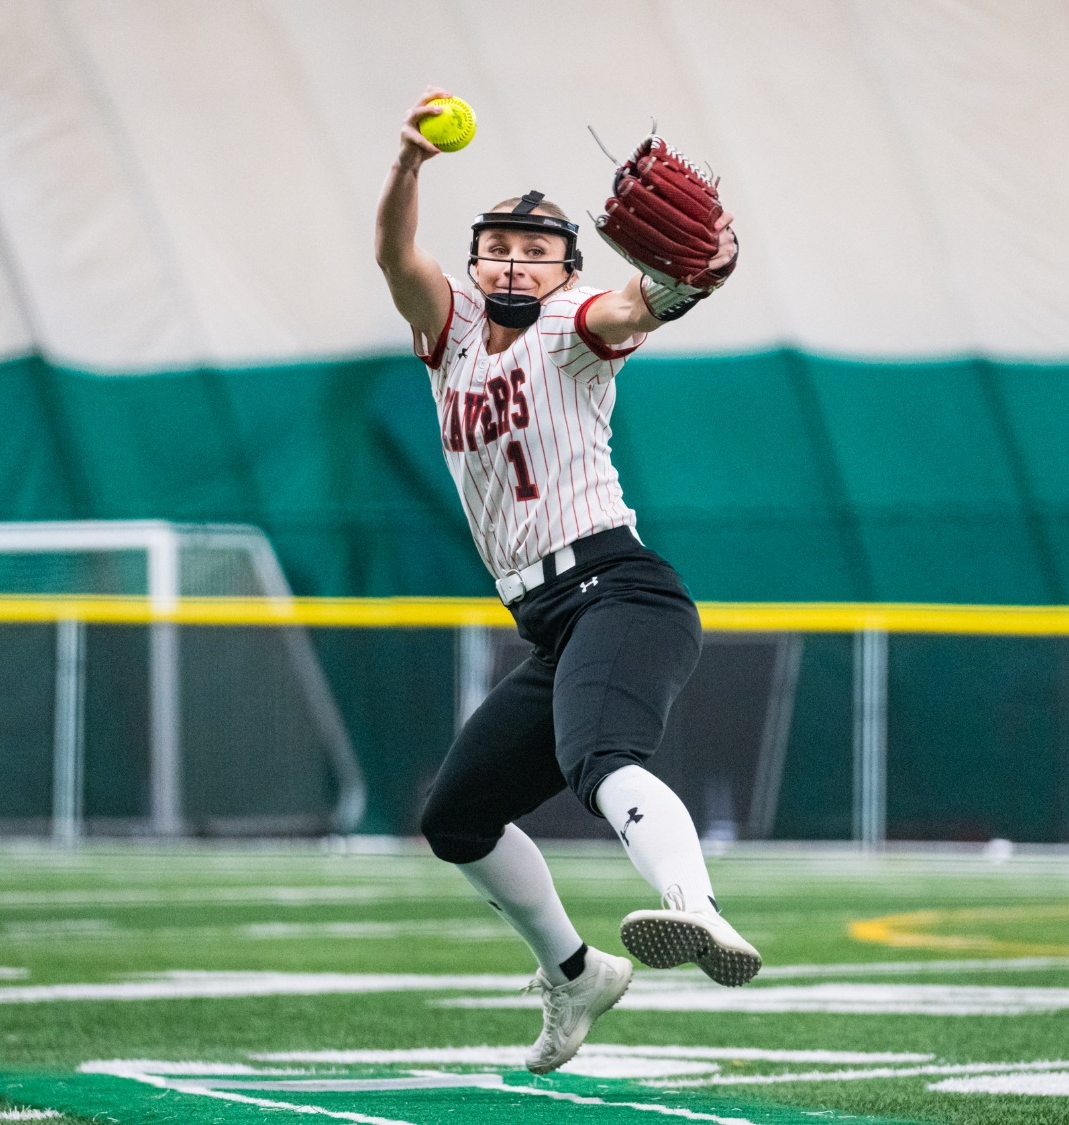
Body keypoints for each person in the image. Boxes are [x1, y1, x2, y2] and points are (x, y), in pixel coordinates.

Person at [373, 87, 757, 1074]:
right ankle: (576, 973)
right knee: (453, 816)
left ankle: (697, 910)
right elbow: (391, 259)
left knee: (597, 759)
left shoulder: (567, 329)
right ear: (471, 260)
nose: (512, 259)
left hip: (621, 594)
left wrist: (682, 285)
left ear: (563, 270)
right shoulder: (450, 341)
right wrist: (408, 166)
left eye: (535, 249)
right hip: (553, 623)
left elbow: (638, 302)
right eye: (497, 244)